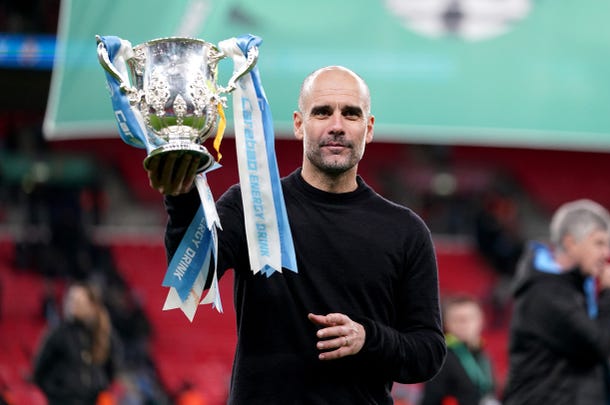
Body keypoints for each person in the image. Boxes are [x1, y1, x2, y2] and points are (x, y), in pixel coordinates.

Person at [147, 65, 446, 403]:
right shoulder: (251, 205)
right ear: (299, 124)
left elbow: (429, 353)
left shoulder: (405, 231)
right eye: (322, 112)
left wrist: (367, 338)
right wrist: (182, 199)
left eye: (350, 114)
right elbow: (193, 279)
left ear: (369, 127)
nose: (336, 125)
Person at [502, 199, 610, 404]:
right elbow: (599, 345)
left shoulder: (569, 289)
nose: (608, 253)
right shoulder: (546, 293)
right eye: (599, 243)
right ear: (570, 243)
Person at [32, 281, 121, 405]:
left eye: (79, 301)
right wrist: (57, 393)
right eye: (71, 300)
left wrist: (98, 386)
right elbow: (40, 370)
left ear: (92, 306)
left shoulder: (105, 334)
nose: (73, 305)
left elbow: (112, 370)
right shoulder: (58, 333)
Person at [420, 295, 499, 405]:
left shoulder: (484, 356)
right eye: (458, 320)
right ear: (446, 324)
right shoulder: (441, 358)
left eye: (470, 318)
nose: (464, 325)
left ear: (481, 320)